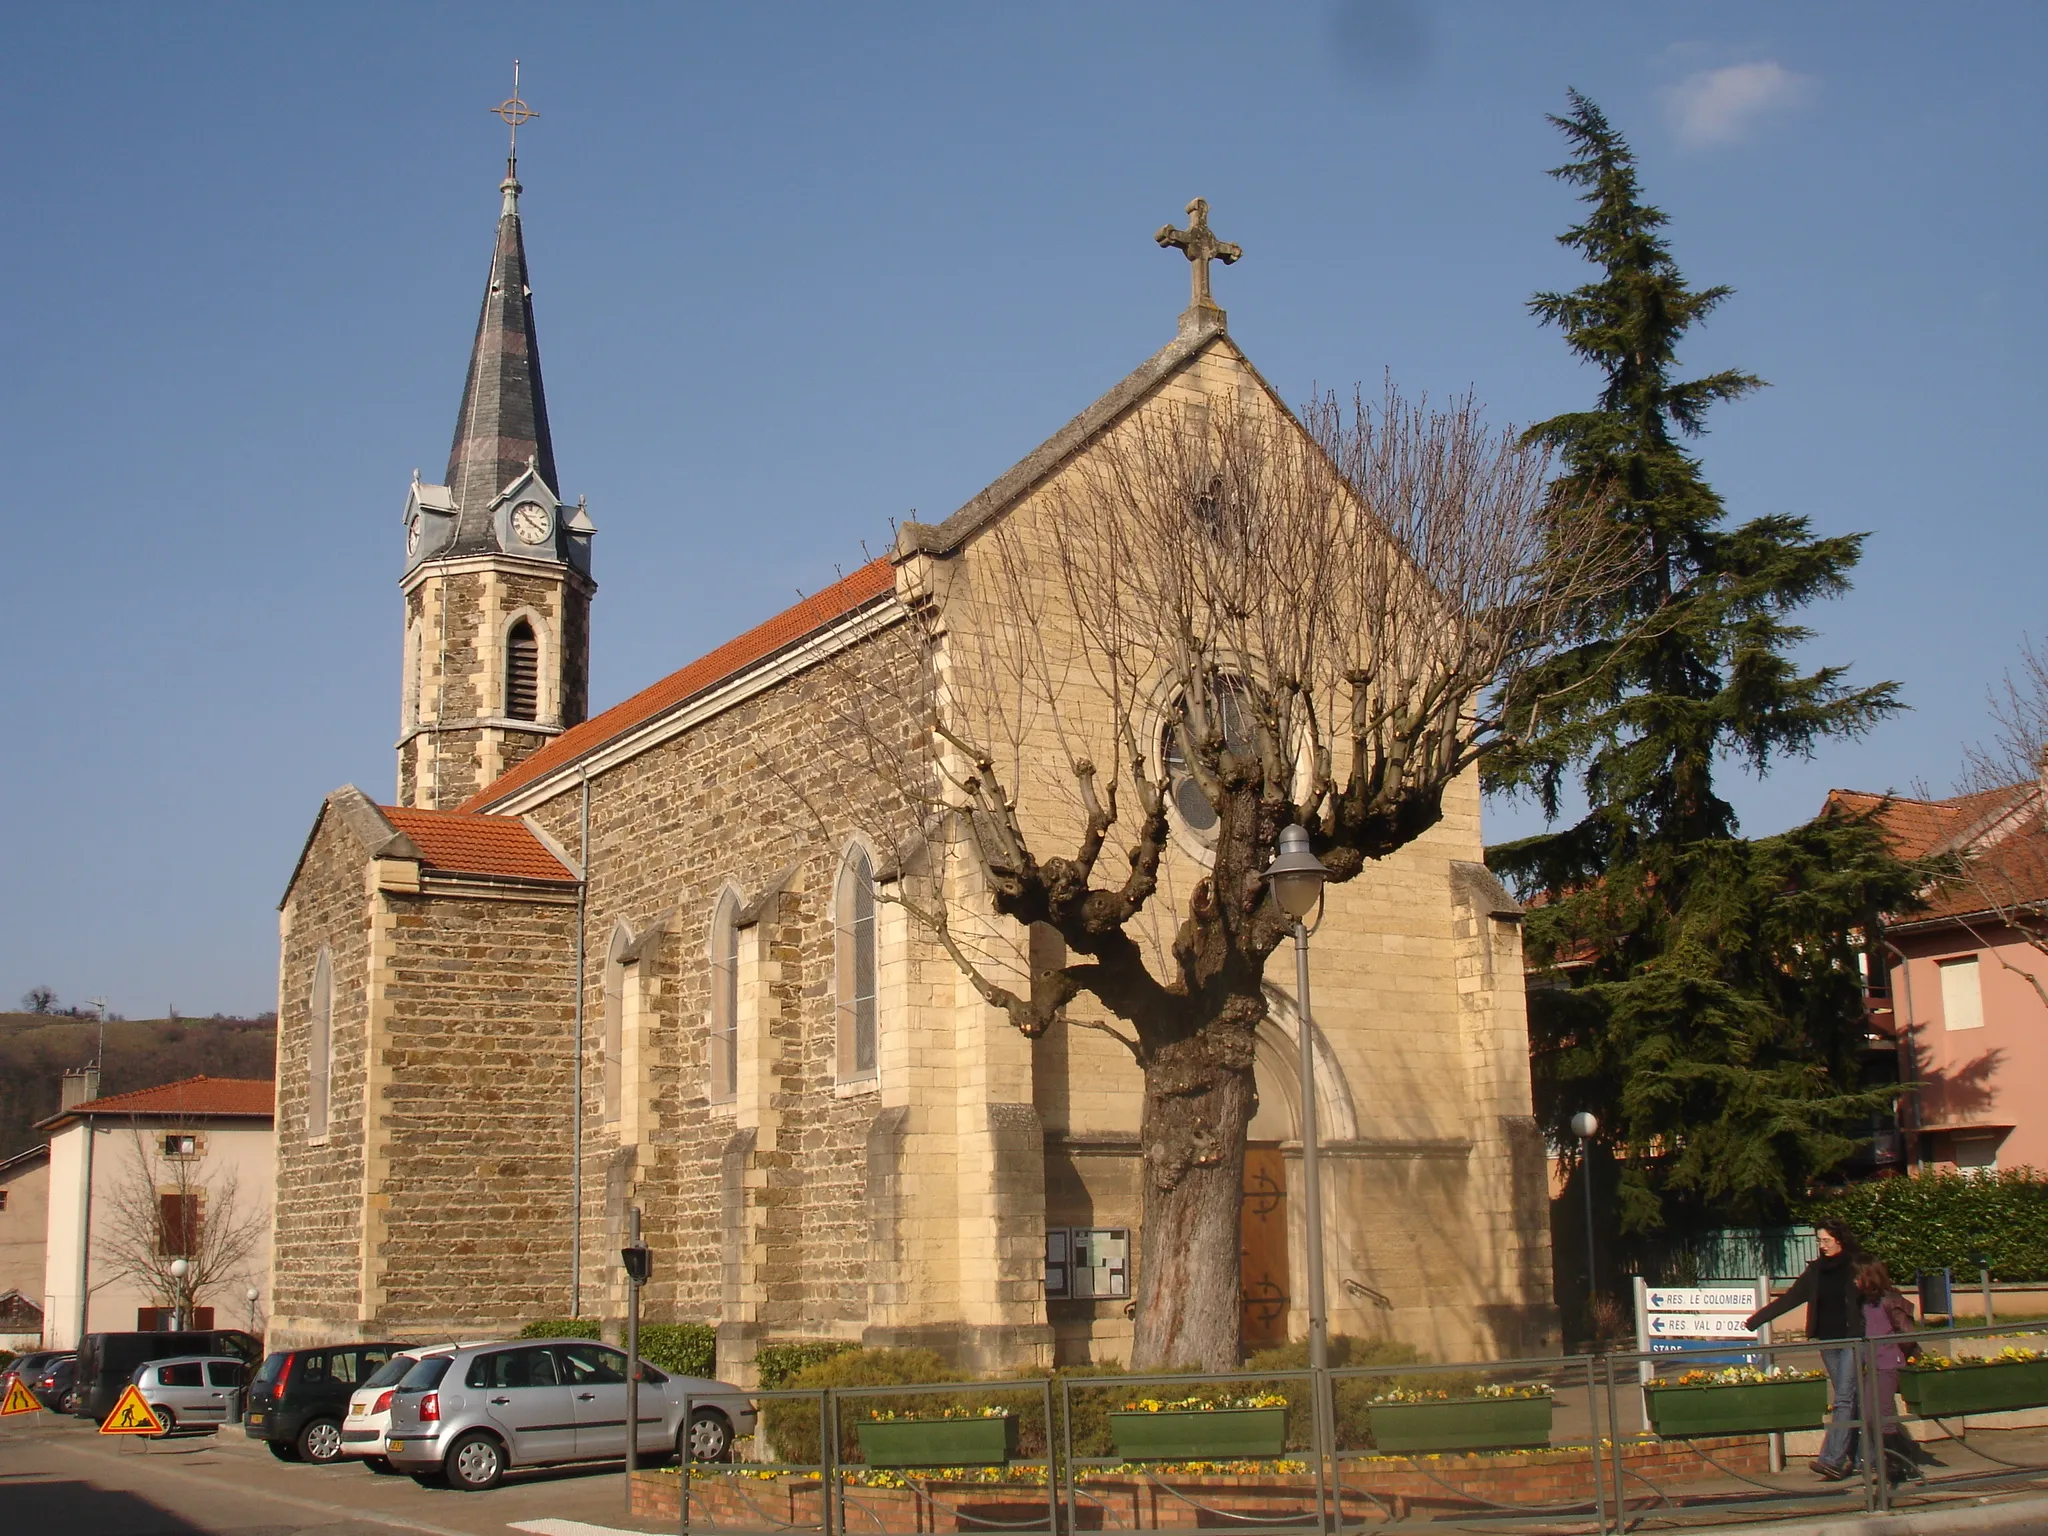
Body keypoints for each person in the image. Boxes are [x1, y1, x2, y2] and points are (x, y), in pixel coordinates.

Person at [1746, 1219, 1864, 1479]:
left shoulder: (1857, 1265)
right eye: (1818, 1241)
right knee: (1853, 1399)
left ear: (1839, 1239)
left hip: (1854, 1340)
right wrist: (1756, 1320)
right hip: (1828, 1340)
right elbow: (1791, 1298)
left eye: (1826, 1240)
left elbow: (1877, 1294)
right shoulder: (1817, 1270)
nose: (1821, 1246)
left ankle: (1831, 1460)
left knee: (1843, 1398)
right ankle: (1863, 1457)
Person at [1855, 1255, 1928, 1482]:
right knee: (1868, 1416)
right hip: (1872, 1366)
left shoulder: (1890, 1301)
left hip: (1889, 1364)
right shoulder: (1862, 1303)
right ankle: (1904, 1454)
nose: (1854, 1282)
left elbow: (1907, 1334)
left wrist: (1900, 1355)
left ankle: (1898, 1464)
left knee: (1883, 1415)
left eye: (1857, 1277)